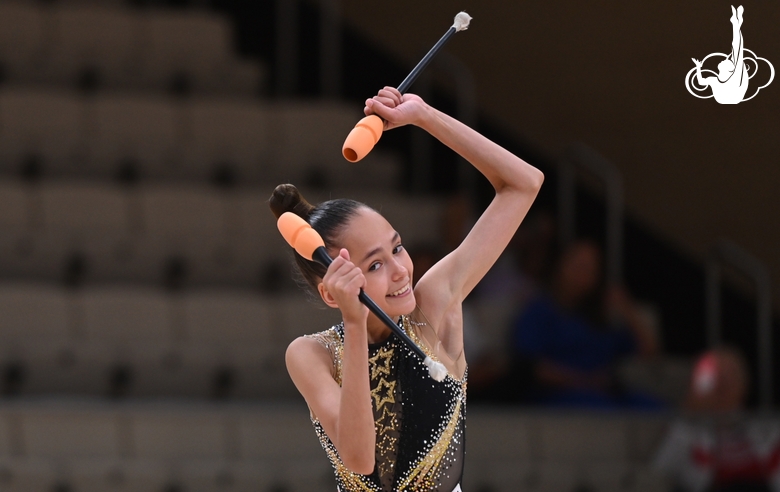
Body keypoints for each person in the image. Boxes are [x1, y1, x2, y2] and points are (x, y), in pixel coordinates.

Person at [269, 86, 544, 492]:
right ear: (332, 292)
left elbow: (524, 184)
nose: (401, 271)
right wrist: (356, 323)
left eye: (397, 247)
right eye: (375, 265)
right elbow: (360, 460)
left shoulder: (432, 305)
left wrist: (425, 117)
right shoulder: (312, 353)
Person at [509, 239, 660, 408]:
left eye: (589, 269)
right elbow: (530, 368)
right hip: (560, 396)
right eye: (577, 265)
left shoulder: (600, 319)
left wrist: (628, 310)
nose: (581, 274)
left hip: (606, 393)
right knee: (602, 409)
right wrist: (585, 381)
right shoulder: (538, 312)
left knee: (655, 408)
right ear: (560, 265)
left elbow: (649, 352)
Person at [655, 348, 780, 492]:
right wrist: (690, 412)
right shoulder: (687, 431)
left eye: (730, 374)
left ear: (744, 382)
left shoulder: (769, 430)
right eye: (715, 376)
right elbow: (660, 471)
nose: (722, 382)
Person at [692, 6, 748, 104]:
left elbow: (701, 81)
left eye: (726, 61)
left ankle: (736, 24)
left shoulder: (717, 80)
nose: (724, 59)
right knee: (737, 52)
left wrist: (698, 68)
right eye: (727, 60)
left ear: (728, 69)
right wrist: (698, 67)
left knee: (737, 51)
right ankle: (736, 24)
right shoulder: (718, 79)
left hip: (730, 97)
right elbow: (700, 82)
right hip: (732, 97)